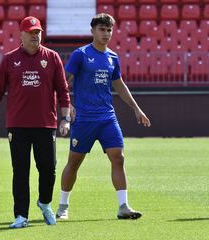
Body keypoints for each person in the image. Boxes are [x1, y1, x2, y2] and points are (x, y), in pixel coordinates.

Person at [56, 13, 151, 220]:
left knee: (118, 158)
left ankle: (123, 206)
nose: (106, 33)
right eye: (102, 29)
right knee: (74, 162)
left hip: (107, 117)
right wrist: (68, 104)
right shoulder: (80, 54)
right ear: (93, 31)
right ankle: (63, 205)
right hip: (84, 120)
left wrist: (137, 108)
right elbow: (62, 82)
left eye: (109, 30)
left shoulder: (113, 57)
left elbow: (120, 86)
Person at [0, 16, 71, 228]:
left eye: (38, 32)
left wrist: (66, 118)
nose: (35, 36)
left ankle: (44, 202)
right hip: (18, 125)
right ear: (21, 34)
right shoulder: (10, 59)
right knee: (20, 171)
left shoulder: (52, 57)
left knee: (48, 169)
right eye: (31, 32)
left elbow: (63, 90)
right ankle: (21, 216)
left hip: (46, 123)